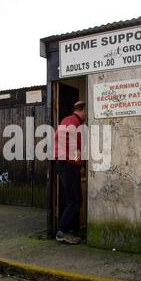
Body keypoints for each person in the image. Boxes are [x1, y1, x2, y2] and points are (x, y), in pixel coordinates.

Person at [54, 101, 86, 245]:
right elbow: (77, 148)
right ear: (82, 110)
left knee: (75, 200)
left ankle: (72, 230)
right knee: (74, 201)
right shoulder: (76, 124)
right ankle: (61, 232)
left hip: (63, 163)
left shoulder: (66, 120)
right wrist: (81, 163)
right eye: (86, 111)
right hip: (68, 165)